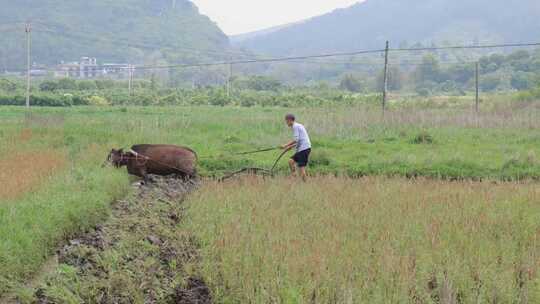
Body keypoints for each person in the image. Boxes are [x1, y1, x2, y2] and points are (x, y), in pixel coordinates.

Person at [281, 114, 312, 181]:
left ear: (290, 120)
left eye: (286, 121)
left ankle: (305, 183)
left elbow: (296, 140)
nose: (286, 122)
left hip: (304, 149)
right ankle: (294, 177)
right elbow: (299, 140)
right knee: (291, 161)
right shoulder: (298, 126)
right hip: (302, 148)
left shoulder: (295, 126)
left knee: (301, 168)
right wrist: (289, 147)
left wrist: (285, 145)